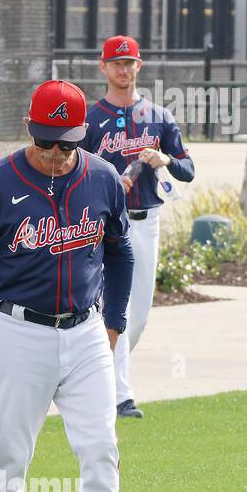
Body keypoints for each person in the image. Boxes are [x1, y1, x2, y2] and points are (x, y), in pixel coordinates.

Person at [0, 80, 145, 492]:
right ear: (31, 129)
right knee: (10, 454)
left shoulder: (101, 179)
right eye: (49, 141)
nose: (57, 154)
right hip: (17, 331)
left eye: (68, 143)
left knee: (101, 448)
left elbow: (121, 253)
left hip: (85, 332)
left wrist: (115, 323)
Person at [81, 35, 196, 419]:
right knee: (114, 309)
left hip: (146, 220)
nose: (123, 69)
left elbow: (189, 170)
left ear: (139, 66)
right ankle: (118, 394)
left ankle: (98, 376)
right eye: (116, 63)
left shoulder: (159, 117)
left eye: (129, 62)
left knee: (139, 315)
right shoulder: (91, 120)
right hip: (103, 225)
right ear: (103, 67)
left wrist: (164, 159)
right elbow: (73, 173)